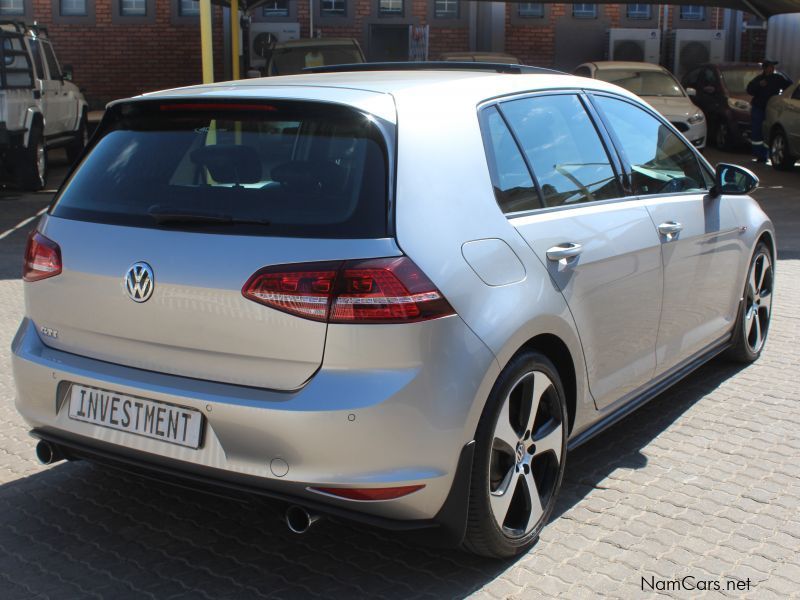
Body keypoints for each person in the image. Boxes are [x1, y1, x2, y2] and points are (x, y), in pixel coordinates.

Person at [747, 60, 793, 163]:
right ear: (765, 68)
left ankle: (766, 154)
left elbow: (790, 86)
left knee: (769, 130)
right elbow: (749, 90)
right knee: (757, 132)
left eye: (773, 67)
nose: (772, 68)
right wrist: (759, 85)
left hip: (771, 109)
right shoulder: (759, 79)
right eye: (770, 67)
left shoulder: (778, 78)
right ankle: (759, 155)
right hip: (758, 108)